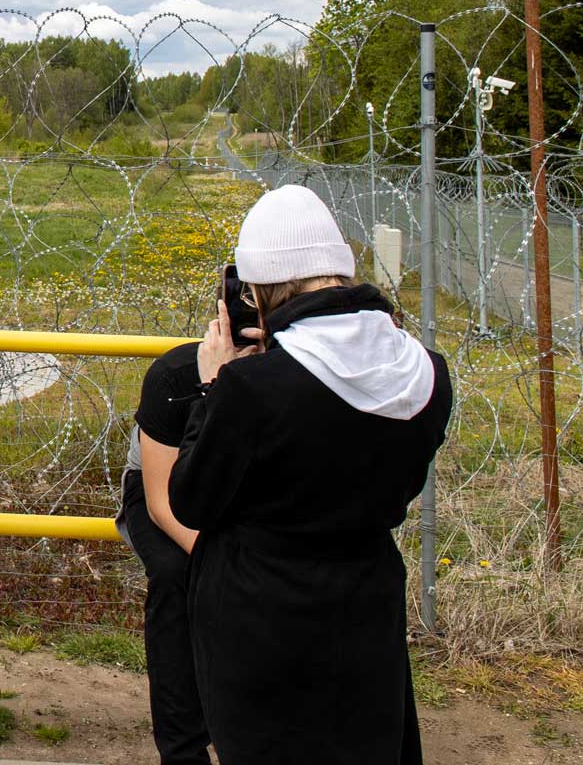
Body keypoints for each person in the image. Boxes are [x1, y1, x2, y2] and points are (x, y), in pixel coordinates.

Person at [168, 185, 452, 764]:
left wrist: (213, 386)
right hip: (366, 604)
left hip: (260, 618)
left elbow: (192, 499)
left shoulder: (251, 389)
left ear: (259, 290)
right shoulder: (425, 372)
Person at [116, 340, 210, 764]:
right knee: (177, 575)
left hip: (239, 492)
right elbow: (160, 504)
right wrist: (216, 559)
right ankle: (183, 751)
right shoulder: (176, 374)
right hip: (161, 486)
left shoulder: (292, 369)